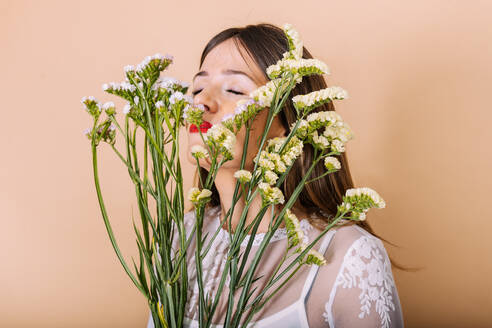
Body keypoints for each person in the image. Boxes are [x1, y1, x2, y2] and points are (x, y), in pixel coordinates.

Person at [147, 23, 404, 328]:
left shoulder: (349, 257)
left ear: (288, 123)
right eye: (198, 87)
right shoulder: (181, 234)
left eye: (234, 89)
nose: (201, 102)